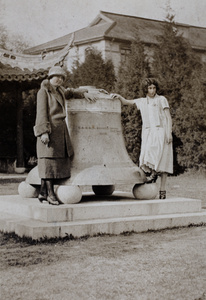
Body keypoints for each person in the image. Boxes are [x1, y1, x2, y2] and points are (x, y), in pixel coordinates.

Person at [34, 65, 96, 205]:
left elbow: (70, 92)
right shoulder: (43, 92)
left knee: (55, 162)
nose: (60, 80)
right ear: (50, 77)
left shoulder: (60, 91)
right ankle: (50, 194)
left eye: (62, 77)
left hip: (60, 131)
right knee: (48, 161)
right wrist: (43, 132)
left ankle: (43, 193)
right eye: (57, 76)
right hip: (49, 131)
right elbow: (41, 113)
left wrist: (83, 93)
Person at [111, 78, 173, 199]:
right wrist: (118, 96)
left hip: (161, 132)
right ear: (145, 89)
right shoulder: (143, 101)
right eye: (150, 88)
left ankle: (163, 189)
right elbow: (126, 102)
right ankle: (152, 177)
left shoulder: (161, 99)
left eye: (154, 88)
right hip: (148, 133)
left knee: (162, 161)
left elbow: (168, 117)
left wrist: (169, 132)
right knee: (147, 156)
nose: (152, 90)